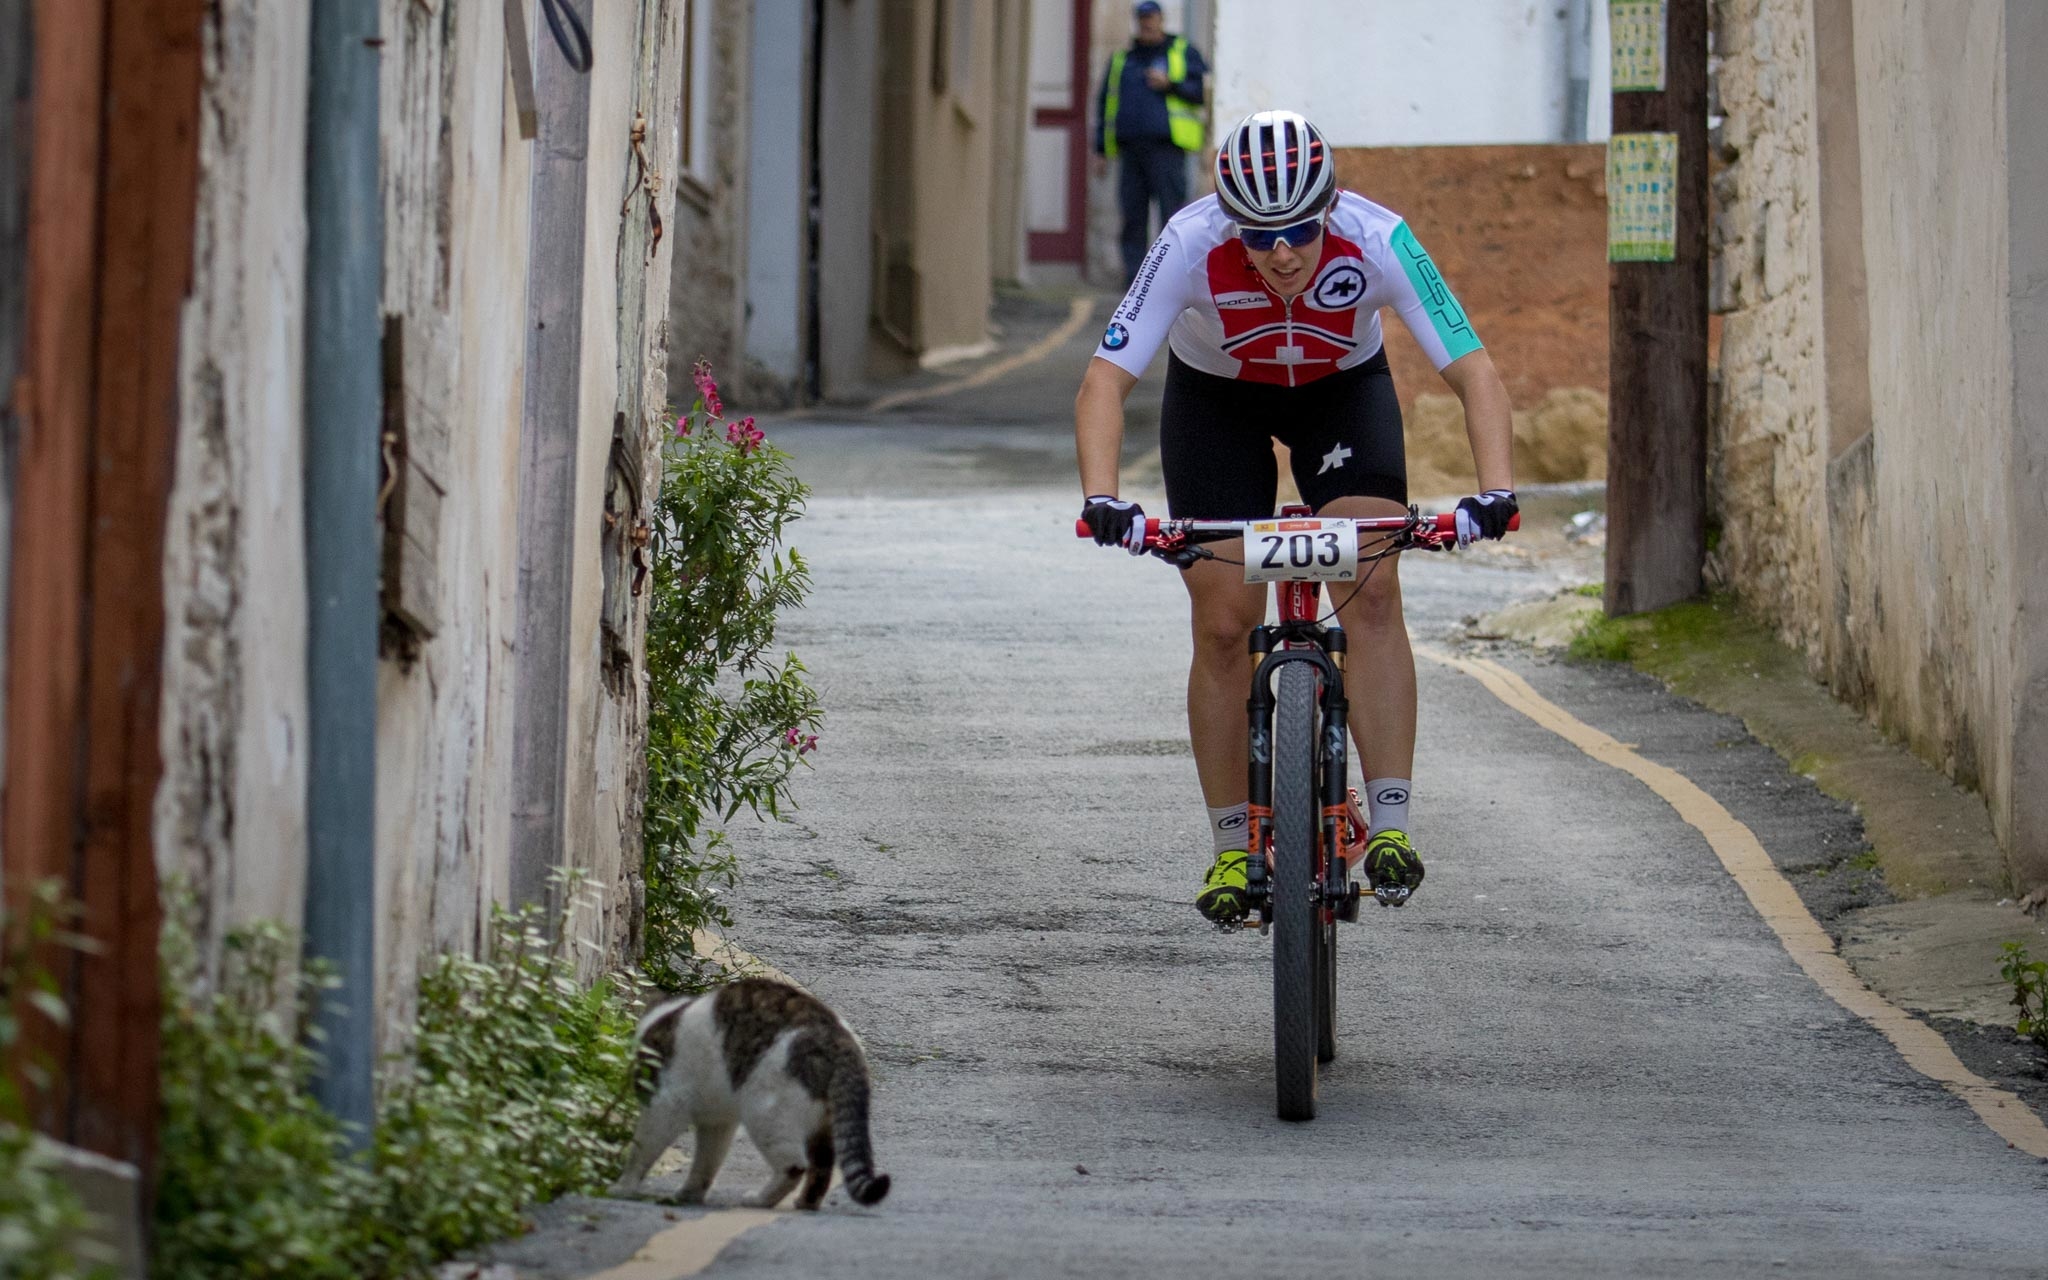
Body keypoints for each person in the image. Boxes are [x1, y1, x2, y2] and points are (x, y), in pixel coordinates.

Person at [1075, 109, 1518, 924]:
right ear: (1228, 221)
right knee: (1222, 622)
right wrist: (1103, 497)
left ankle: (1389, 827)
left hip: (1341, 398)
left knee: (1373, 586)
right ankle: (1232, 849)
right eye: (1258, 235)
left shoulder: (1380, 238)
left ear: (1331, 209)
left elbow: (1476, 370)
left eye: (1301, 232)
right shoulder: (1188, 241)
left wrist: (1496, 490)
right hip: (1217, 405)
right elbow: (1107, 378)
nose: (1281, 253)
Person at [1093, 1, 1208, 288]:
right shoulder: (1122, 60)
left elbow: (1202, 91)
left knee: (1173, 215)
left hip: (1167, 149)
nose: (1147, 23)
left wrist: (1171, 84)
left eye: (1152, 17)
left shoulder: (1182, 51)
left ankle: (1173, 277)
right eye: (1142, 18)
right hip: (1131, 150)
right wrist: (1101, 150)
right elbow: (1106, 106)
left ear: (1161, 19)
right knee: (1132, 217)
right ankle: (1134, 279)